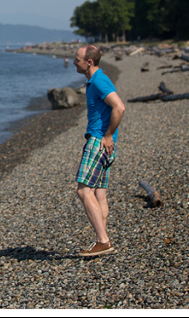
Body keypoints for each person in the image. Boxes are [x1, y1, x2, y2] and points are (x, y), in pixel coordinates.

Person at [72, 45, 126, 257]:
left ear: (89, 62)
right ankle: (102, 240)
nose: (74, 62)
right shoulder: (96, 80)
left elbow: (119, 107)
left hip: (99, 141)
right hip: (105, 143)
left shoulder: (99, 81)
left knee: (84, 191)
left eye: (77, 59)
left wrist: (108, 135)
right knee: (100, 193)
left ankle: (103, 241)